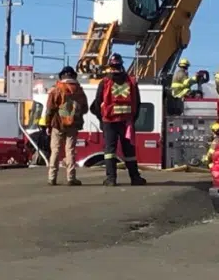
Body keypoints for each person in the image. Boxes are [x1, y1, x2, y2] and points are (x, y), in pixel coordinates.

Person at [90, 53, 147, 186]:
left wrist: (102, 119)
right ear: (122, 65)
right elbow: (138, 103)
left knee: (109, 151)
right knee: (129, 151)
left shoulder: (104, 82)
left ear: (110, 66)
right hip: (127, 122)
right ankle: (135, 178)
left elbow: (97, 103)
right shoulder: (131, 81)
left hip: (109, 122)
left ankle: (111, 179)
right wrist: (132, 120)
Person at [43, 66, 89, 186]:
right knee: (70, 151)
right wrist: (74, 114)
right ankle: (71, 178)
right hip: (73, 124)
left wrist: (48, 124)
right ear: (73, 76)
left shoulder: (56, 89)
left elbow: (49, 109)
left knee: (55, 150)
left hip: (57, 124)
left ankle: (52, 177)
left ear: (61, 76)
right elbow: (85, 109)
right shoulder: (79, 90)